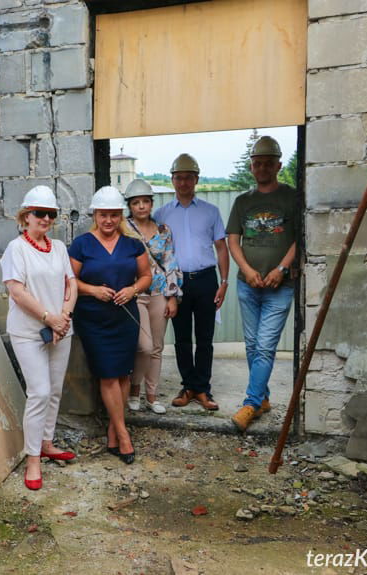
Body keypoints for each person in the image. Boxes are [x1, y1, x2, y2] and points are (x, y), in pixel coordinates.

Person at [0, 185, 78, 491]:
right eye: (39, 213)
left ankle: (46, 442)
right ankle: (32, 458)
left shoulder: (58, 247)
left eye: (50, 214)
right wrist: (50, 318)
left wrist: (64, 317)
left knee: (55, 390)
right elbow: (17, 292)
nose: (45, 219)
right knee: (40, 392)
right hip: (30, 331)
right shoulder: (16, 249)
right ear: (25, 216)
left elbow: (70, 283)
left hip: (61, 329)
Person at [69, 186, 152, 464]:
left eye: (114, 215)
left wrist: (132, 291)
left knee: (123, 375)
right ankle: (123, 433)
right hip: (93, 318)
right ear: (95, 214)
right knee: (107, 374)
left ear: (120, 216)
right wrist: (93, 290)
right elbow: (69, 281)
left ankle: (113, 432)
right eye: (103, 215)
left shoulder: (133, 244)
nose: (108, 220)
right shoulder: (81, 244)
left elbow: (146, 276)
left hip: (124, 316)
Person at [226, 136, 297, 432]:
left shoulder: (292, 198)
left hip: (280, 287)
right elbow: (233, 239)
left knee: (265, 347)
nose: (263, 168)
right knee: (253, 346)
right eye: (258, 163)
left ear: (278, 165)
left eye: (269, 163)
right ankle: (264, 398)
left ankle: (251, 403)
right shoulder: (243, 201)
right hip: (248, 284)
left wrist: (282, 268)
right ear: (252, 167)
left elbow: (299, 239)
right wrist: (246, 269)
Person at [153, 154, 229, 412]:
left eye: (188, 177)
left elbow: (221, 248)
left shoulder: (211, 211)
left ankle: (203, 389)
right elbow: (155, 252)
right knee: (182, 338)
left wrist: (225, 281)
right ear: (172, 180)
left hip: (207, 279)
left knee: (205, 338)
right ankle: (188, 387)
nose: (183, 182)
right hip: (178, 283)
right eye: (178, 177)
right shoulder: (161, 214)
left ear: (196, 179)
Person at [124, 179, 183, 415]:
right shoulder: (122, 228)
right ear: (129, 205)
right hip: (135, 292)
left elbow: (170, 262)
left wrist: (172, 297)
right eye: (136, 202)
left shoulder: (163, 230)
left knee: (157, 347)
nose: (141, 207)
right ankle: (133, 390)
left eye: (145, 201)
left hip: (159, 291)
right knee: (143, 346)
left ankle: (152, 395)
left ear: (151, 203)